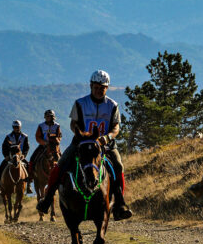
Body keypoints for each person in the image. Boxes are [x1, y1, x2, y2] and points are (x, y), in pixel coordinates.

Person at [36, 70, 132, 221]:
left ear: (107, 88)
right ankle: (47, 200)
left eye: (102, 88)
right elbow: (73, 123)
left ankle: (120, 204)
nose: (99, 90)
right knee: (61, 164)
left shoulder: (112, 105)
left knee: (118, 166)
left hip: (105, 145)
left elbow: (116, 127)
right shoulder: (80, 103)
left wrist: (107, 137)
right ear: (90, 86)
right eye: (96, 87)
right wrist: (80, 134)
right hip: (81, 143)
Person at [26, 110, 63, 194]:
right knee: (32, 158)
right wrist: (44, 142)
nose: (49, 118)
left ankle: (64, 176)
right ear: (45, 117)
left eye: (51, 116)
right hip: (43, 146)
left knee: (62, 158)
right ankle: (30, 178)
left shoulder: (57, 125)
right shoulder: (41, 126)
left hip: (54, 145)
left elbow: (59, 135)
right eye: (48, 116)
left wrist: (57, 141)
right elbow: (37, 137)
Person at [0, 120, 30, 192]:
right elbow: (4, 147)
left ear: (20, 127)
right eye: (15, 127)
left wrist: (24, 155)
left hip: (20, 157)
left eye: (17, 127)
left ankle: (28, 186)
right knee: (0, 169)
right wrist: (6, 156)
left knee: (29, 167)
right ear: (13, 127)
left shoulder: (24, 136)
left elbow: (27, 147)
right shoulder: (8, 137)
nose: (16, 128)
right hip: (10, 157)